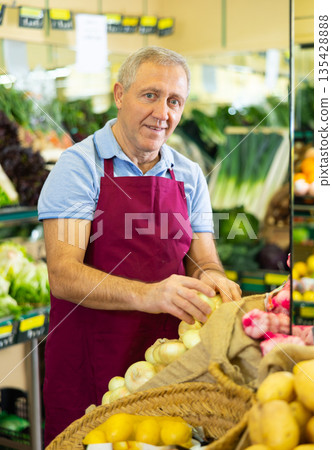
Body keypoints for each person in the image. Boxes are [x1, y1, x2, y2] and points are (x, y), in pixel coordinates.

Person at [38, 46, 242, 446]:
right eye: (150, 95)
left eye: (174, 101)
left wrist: (215, 282)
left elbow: (202, 259)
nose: (162, 112)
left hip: (168, 370)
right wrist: (150, 294)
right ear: (119, 94)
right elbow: (63, 275)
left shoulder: (189, 174)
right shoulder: (79, 167)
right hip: (91, 364)